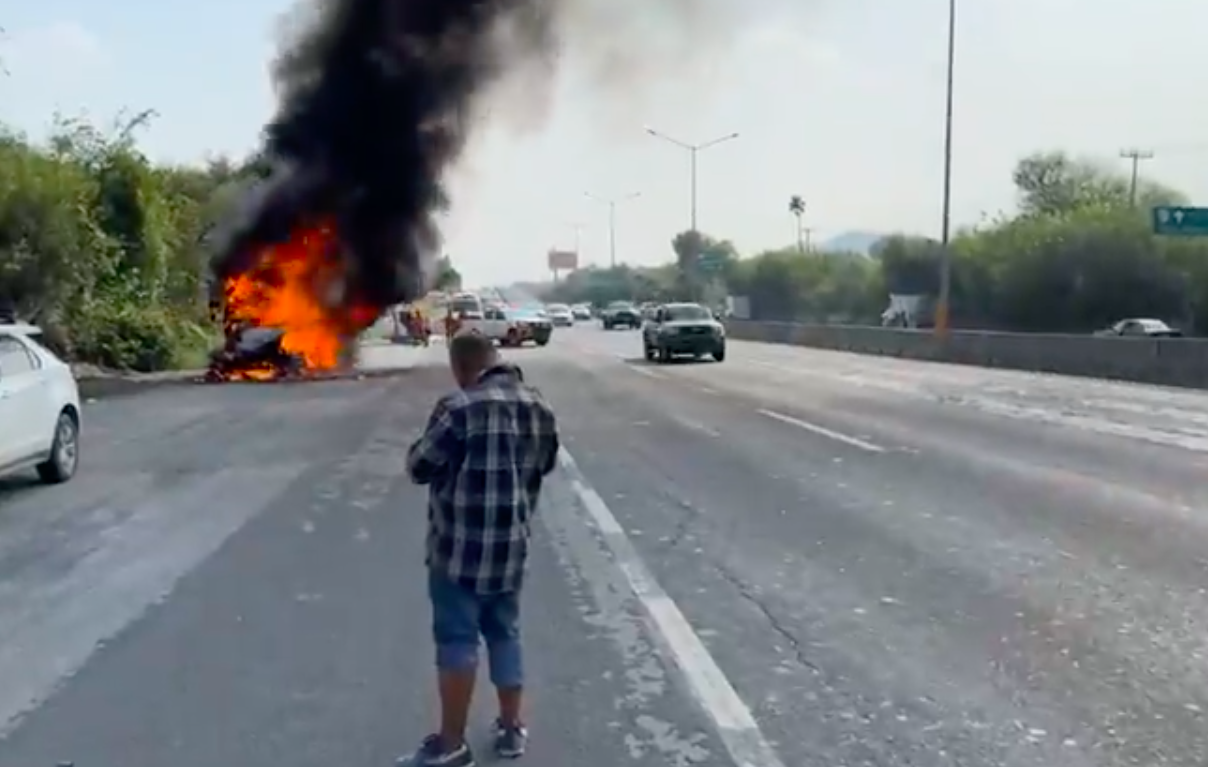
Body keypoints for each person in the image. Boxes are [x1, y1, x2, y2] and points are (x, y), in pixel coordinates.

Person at [400, 331, 560, 767]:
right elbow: (546, 464)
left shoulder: (457, 408)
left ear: (460, 367)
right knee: (505, 634)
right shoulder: (538, 405)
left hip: (458, 553)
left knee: (457, 641)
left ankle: (451, 745)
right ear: (494, 358)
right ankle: (511, 731)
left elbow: (419, 467)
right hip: (510, 552)